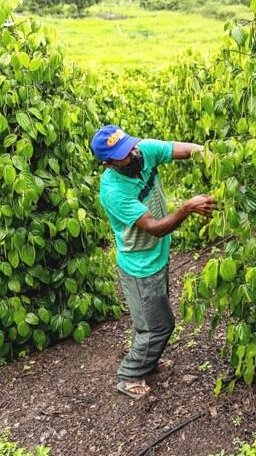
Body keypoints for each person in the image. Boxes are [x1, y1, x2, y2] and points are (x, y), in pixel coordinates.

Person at [90, 125, 216, 399]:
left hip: (157, 255)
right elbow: (156, 227)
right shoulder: (112, 191)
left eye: (130, 145)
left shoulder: (142, 151)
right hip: (140, 266)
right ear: (108, 162)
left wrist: (211, 156)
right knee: (159, 325)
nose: (133, 152)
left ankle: (149, 359)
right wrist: (187, 208)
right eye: (124, 154)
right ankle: (130, 374)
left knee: (150, 319)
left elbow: (180, 149)